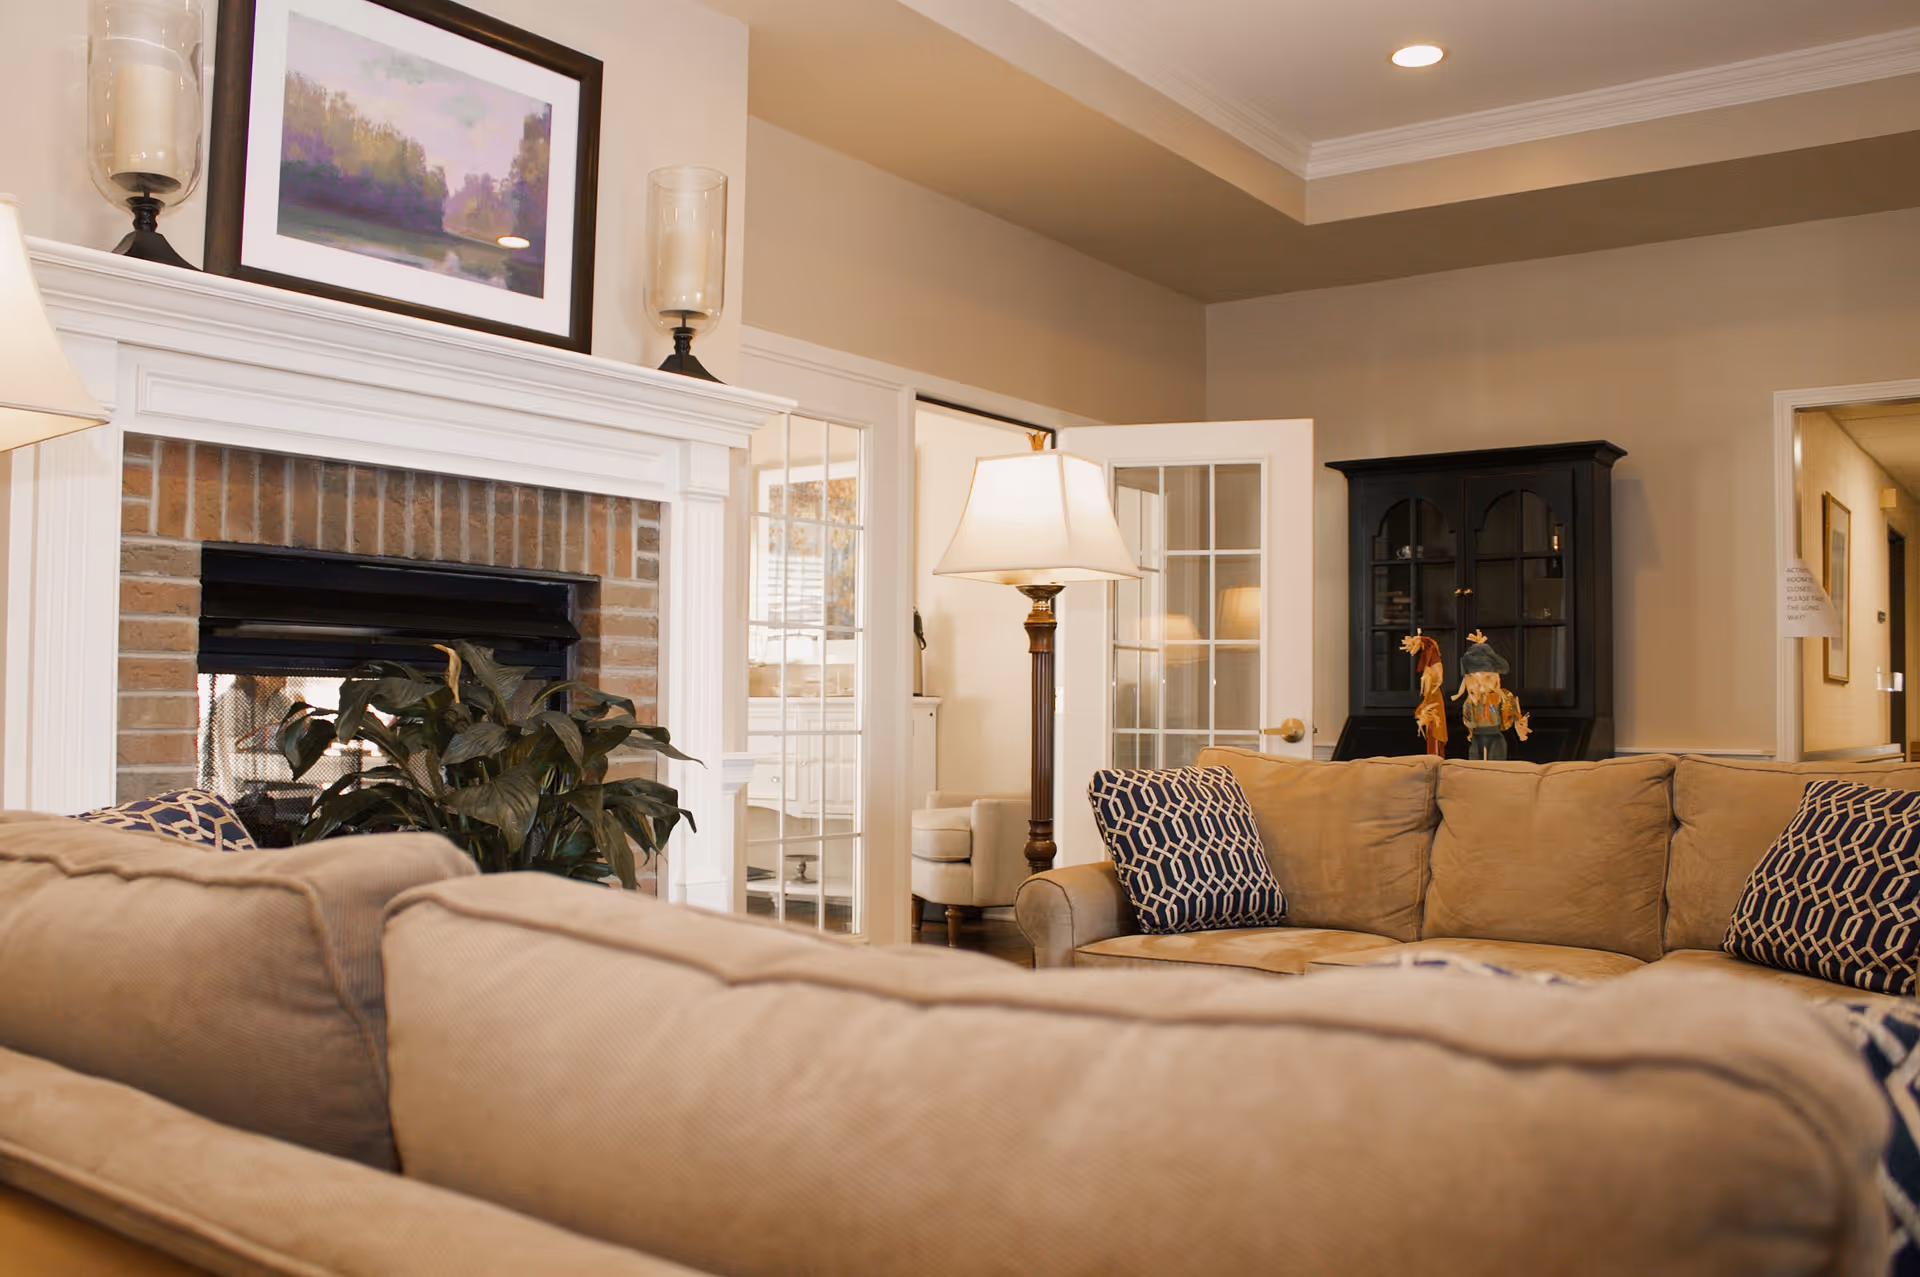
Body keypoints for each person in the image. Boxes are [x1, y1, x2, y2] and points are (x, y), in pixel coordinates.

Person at [1451, 631, 1530, 761]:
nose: (1480, 683)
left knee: (1496, 766)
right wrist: (1470, 729)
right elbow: (1467, 715)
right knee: (1474, 766)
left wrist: (1520, 726)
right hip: (1477, 736)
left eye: (1485, 677)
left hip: (1495, 734)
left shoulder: (1503, 697)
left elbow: (1514, 713)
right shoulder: (1471, 701)